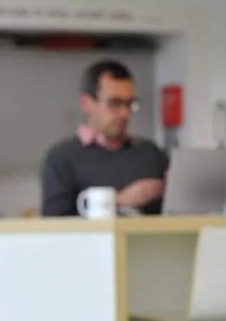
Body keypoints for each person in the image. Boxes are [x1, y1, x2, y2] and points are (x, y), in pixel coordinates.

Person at [42, 60, 169, 216]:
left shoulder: (151, 153)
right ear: (86, 103)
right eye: (114, 103)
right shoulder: (62, 158)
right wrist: (118, 201)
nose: (125, 113)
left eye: (130, 104)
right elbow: (54, 225)